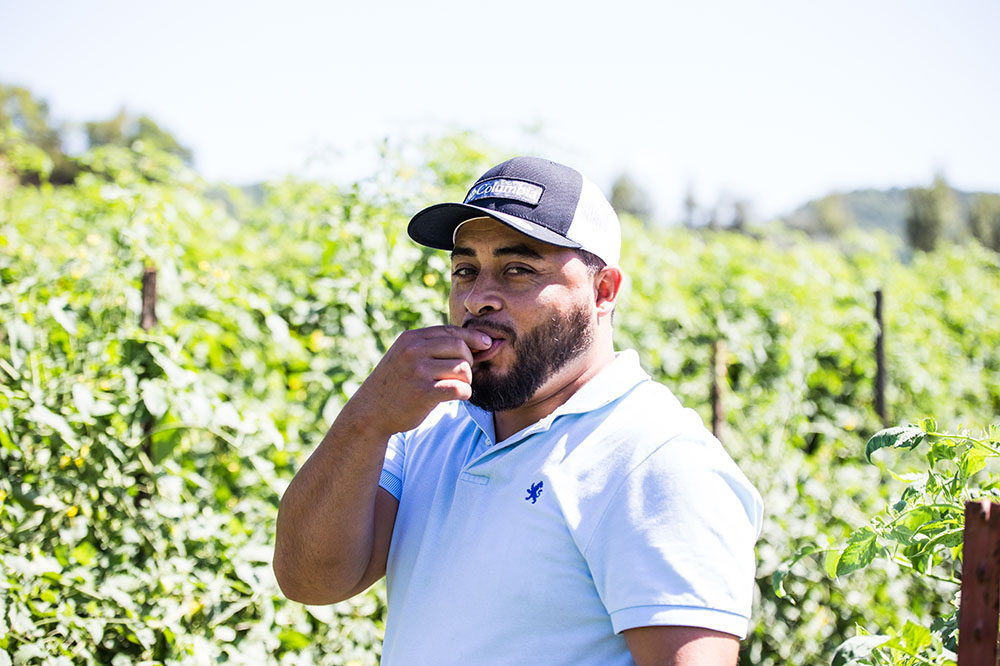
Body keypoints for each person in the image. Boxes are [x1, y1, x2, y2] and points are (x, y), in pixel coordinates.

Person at [273, 156, 763, 665]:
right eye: (465, 270)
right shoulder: (432, 424)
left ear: (604, 291)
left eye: (518, 270)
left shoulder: (654, 461)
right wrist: (367, 419)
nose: (479, 298)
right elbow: (311, 579)